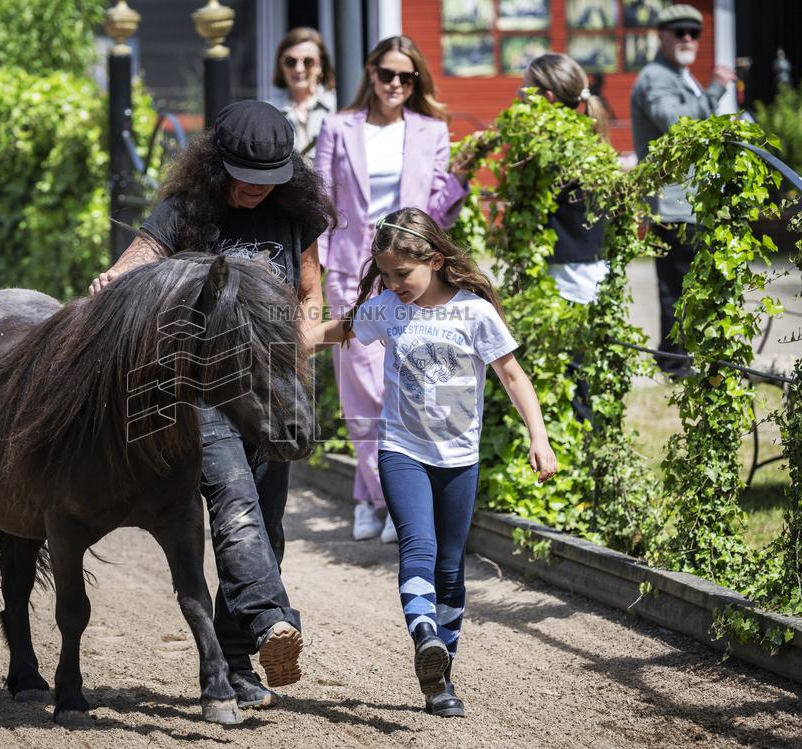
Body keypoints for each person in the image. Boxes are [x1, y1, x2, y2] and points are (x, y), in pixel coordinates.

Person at [90, 100, 336, 710]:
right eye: (246, 177)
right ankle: (272, 621)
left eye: (270, 179)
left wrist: (297, 363)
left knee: (269, 522)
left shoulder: (292, 212)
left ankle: (236, 663)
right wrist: (113, 278)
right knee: (234, 500)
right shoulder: (187, 208)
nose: (257, 189)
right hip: (201, 388)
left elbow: (310, 288)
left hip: (269, 388)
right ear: (216, 166)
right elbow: (144, 253)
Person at [303, 207, 557, 717]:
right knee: (417, 546)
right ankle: (425, 637)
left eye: (404, 274)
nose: (394, 283)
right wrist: (274, 337)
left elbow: (512, 376)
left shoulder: (474, 314)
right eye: (387, 274)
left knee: (450, 567)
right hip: (402, 451)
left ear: (436, 260)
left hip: (459, 460)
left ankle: (440, 680)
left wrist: (540, 437)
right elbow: (334, 332)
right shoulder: (387, 310)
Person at [313, 35, 473, 543]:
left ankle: (369, 497)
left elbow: (436, 212)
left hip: (410, 274)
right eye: (388, 75)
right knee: (362, 391)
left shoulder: (432, 131)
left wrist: (462, 182)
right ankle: (383, 499)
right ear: (371, 72)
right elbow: (318, 204)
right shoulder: (339, 126)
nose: (397, 86)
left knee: (404, 386)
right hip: (347, 268)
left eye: (408, 77)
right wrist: (310, 277)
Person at [630, 4, 736, 377]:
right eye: (679, 31)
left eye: (694, 32)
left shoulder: (677, 74)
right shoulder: (657, 77)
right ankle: (675, 362)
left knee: (688, 285)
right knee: (677, 287)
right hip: (673, 203)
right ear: (661, 35)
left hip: (688, 202)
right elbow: (677, 123)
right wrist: (717, 89)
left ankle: (681, 357)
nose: (688, 38)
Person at [522, 52, 613, 423]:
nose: (518, 97)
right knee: (584, 378)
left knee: (573, 381)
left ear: (544, 99)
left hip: (568, 277)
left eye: (523, 90)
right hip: (589, 272)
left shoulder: (553, 150)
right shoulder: (587, 142)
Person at [267, 27, 336, 158]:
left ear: (320, 65)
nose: (299, 69)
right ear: (281, 66)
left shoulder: (339, 106)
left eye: (308, 61)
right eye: (290, 62)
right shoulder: (269, 111)